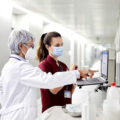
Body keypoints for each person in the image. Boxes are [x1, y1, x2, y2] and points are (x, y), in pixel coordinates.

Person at [0, 29, 97, 120]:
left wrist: (73, 77)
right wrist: (76, 73)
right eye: (31, 46)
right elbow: (49, 81)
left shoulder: (11, 67)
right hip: (18, 116)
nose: (33, 49)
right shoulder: (20, 68)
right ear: (21, 46)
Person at [37, 32, 77, 112]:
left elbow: (69, 91)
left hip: (66, 108)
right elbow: (54, 89)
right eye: (57, 45)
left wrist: (74, 79)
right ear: (47, 47)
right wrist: (71, 74)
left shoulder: (63, 65)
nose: (60, 47)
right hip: (52, 112)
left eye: (62, 44)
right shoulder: (44, 66)